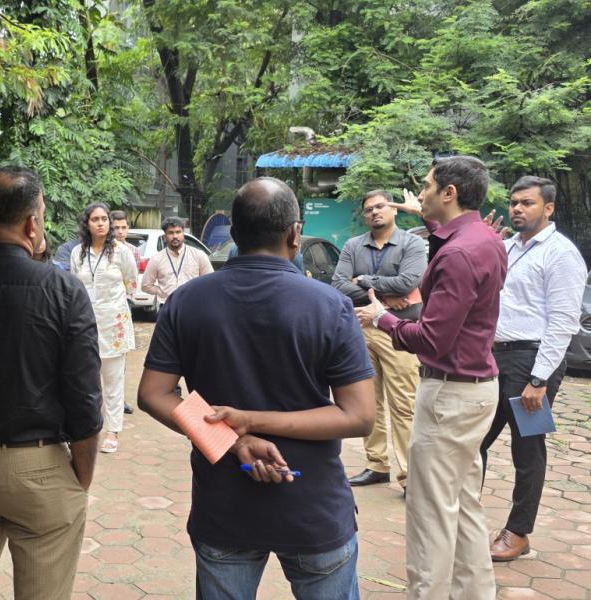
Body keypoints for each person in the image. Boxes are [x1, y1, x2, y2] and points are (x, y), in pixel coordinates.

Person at [138, 177, 375, 600]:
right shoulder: (329, 305)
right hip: (311, 503)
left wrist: (236, 436)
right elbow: (358, 416)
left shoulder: (187, 301)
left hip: (224, 504)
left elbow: (153, 394)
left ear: (234, 234)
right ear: (294, 234)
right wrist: (249, 424)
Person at [356, 156, 507, 600]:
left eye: (426, 186)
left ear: (449, 192)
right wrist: (420, 214)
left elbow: (432, 339)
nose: (419, 194)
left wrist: (382, 318)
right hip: (475, 389)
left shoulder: (459, 252)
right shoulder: (485, 238)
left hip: (449, 395)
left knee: (430, 514)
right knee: (464, 504)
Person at [0, 166, 103, 599]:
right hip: (39, 468)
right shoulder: (63, 290)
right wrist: (80, 478)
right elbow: (85, 398)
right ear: (31, 224)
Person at [480, 176, 587, 561]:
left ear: (549, 208)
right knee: (474, 440)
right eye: (514, 202)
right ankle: (465, 518)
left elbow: (562, 322)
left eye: (527, 203)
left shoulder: (562, 254)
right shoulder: (508, 247)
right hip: (495, 358)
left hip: (534, 363)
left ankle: (518, 532)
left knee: (527, 448)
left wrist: (539, 380)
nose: (517, 209)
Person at [332, 190, 426, 493]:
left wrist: (363, 281)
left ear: (394, 209)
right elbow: (339, 285)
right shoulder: (353, 246)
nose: (374, 212)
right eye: (369, 208)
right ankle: (377, 464)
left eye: (380, 206)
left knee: (404, 404)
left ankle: (410, 474)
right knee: (369, 402)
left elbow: (409, 281)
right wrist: (387, 298)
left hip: (400, 332)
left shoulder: (412, 243)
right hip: (361, 330)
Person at [71, 203, 137, 454]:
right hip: (84, 323)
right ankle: (87, 429)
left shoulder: (121, 251)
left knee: (113, 380)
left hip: (114, 324)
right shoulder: (78, 252)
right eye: (95, 219)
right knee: (85, 381)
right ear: (87, 224)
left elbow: (131, 282)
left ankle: (113, 431)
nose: (100, 223)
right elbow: (74, 286)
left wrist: (115, 306)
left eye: (104, 219)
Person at [141, 216, 213, 307]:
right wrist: (162, 292)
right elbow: (145, 285)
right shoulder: (156, 259)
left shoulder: (199, 255)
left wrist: (196, 293)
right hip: (167, 306)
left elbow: (210, 282)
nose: (175, 236)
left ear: (183, 234)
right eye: (171, 233)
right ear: (164, 236)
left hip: (193, 305)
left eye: (178, 232)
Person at [110, 209, 139, 414]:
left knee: (120, 355)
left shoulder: (132, 251)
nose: (120, 231)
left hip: (121, 306)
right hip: (98, 308)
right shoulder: (93, 249)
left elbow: (132, 280)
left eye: (123, 227)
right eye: (116, 228)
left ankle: (119, 400)